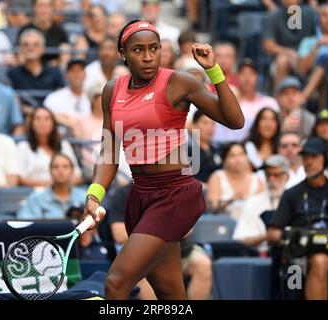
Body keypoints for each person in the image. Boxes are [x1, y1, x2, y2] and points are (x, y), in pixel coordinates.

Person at [83, 19, 243, 300]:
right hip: (140, 197)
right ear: (123, 53)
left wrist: (214, 71)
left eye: (154, 48)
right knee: (171, 295)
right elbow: (109, 150)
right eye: (138, 50)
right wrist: (94, 195)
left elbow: (235, 120)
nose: (147, 57)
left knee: (115, 283)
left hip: (175, 195)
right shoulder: (111, 90)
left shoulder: (179, 81)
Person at [267, 136, 328, 300]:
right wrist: (293, 237)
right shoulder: (292, 194)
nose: (308, 162)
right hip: (302, 252)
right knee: (320, 259)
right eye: (305, 157)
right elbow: (272, 233)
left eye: (314, 157)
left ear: (327, 159)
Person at [106, 183, 213, 300]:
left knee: (203, 264)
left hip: (181, 250)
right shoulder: (123, 194)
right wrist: (161, 228)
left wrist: (147, 230)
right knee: (141, 274)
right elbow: (119, 234)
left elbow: (187, 227)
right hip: (141, 255)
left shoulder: (176, 188)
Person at [233, 155, 290, 252]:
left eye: (276, 175)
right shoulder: (253, 202)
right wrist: (268, 236)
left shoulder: (294, 199)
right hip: (259, 254)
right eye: (268, 175)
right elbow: (240, 240)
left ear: (287, 176)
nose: (271, 179)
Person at [17, 107, 83, 188]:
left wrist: (59, 186)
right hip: (33, 194)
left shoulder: (64, 145)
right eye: (38, 119)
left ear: (53, 124)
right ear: (32, 125)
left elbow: (77, 176)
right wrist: (51, 185)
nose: (42, 122)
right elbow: (20, 179)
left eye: (47, 118)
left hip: (65, 194)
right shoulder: (23, 147)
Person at [18, 153, 86, 219]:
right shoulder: (36, 198)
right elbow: (25, 221)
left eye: (65, 167)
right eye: (55, 167)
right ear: (50, 171)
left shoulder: (85, 197)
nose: (60, 170)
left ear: (72, 171)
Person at [207, 142, 265, 220]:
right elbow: (212, 208)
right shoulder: (217, 177)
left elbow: (263, 206)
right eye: (232, 156)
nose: (238, 160)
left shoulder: (256, 179)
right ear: (224, 159)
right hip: (224, 225)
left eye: (241, 155)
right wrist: (230, 201)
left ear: (247, 157)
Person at [43, 58, 91, 133]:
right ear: (66, 75)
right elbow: (44, 118)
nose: (76, 75)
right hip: (62, 141)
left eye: (79, 71)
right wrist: (60, 118)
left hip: (90, 140)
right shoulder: (54, 98)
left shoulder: (93, 98)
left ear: (85, 75)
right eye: (73, 71)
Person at [16, 0, 69, 65]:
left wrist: (55, 64)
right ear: (34, 7)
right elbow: (20, 58)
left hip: (53, 71)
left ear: (53, 8)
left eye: (47, 6)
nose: (43, 10)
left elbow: (65, 59)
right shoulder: (24, 30)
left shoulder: (60, 31)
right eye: (40, 6)